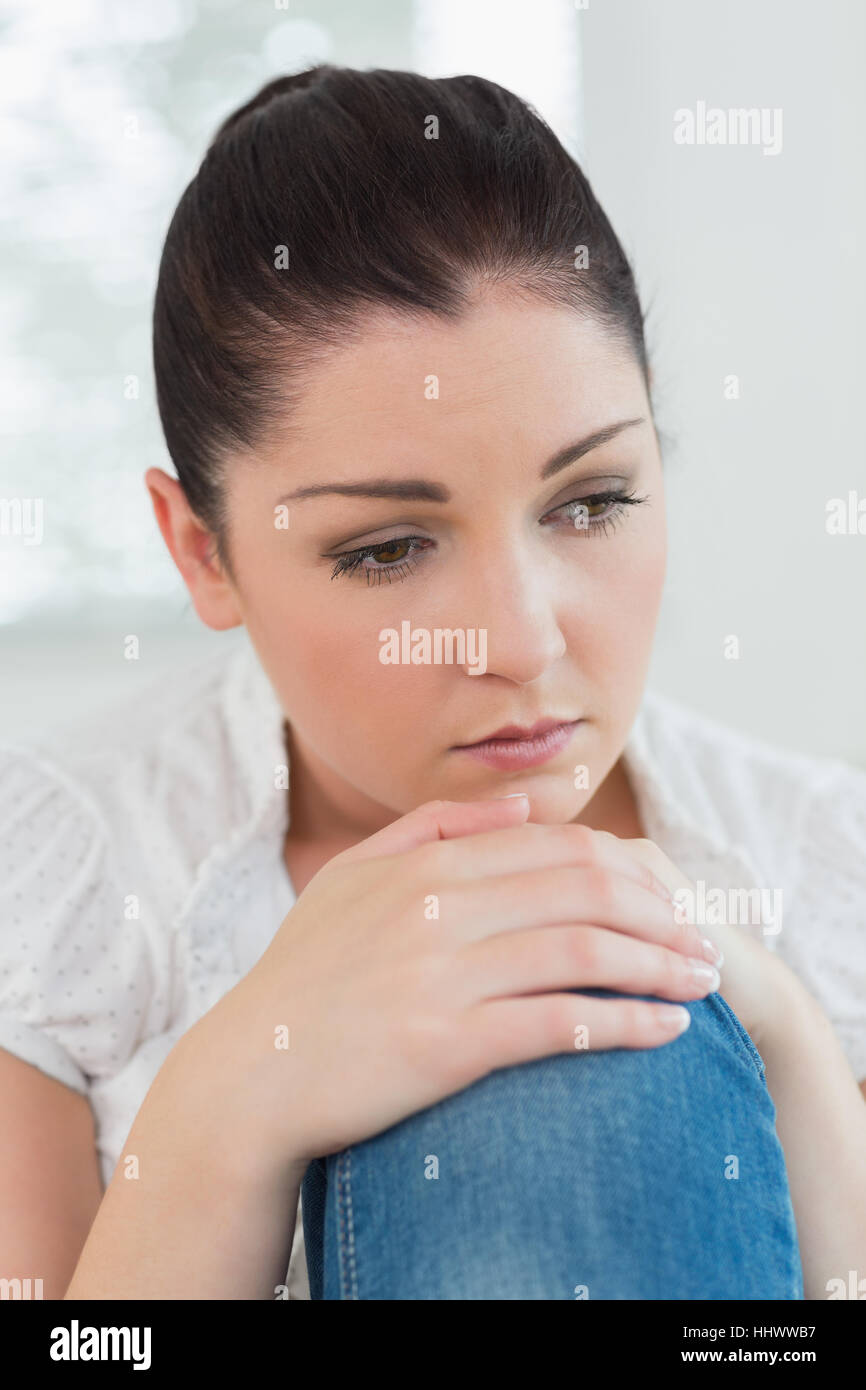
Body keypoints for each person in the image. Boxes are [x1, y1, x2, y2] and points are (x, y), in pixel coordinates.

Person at [2, 65, 865, 1301]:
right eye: (386, 549)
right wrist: (228, 1098)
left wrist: (771, 1022)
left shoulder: (826, 866)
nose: (516, 640)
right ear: (202, 549)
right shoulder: (54, 885)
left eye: (590, 500)